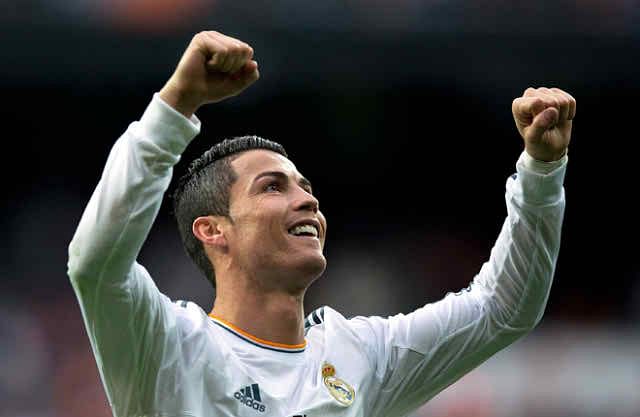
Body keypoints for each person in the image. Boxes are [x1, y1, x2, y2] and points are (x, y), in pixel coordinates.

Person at [67, 30, 576, 417]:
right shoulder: (167, 346)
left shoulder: (360, 356)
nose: (307, 202)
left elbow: (505, 307)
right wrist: (175, 107)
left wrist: (541, 173)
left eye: (307, 189)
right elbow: (95, 264)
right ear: (213, 230)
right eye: (273, 187)